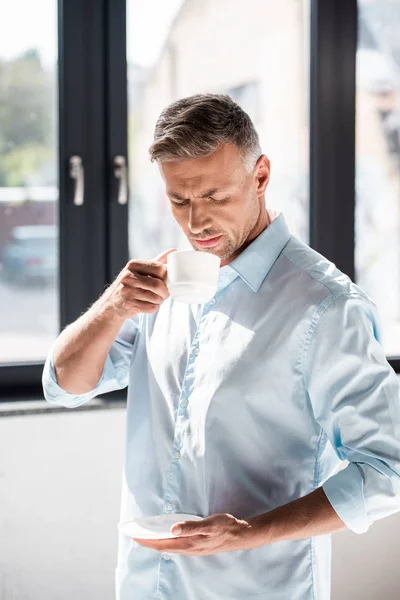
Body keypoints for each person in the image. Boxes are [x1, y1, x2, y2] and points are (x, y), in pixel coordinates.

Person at [42, 93, 400, 600]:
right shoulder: (160, 285)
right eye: (180, 201)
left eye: (215, 196)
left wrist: (252, 532)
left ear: (260, 176)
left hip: (258, 588)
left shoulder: (326, 306)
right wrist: (112, 309)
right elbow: (63, 387)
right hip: (147, 585)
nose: (196, 223)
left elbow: (388, 470)